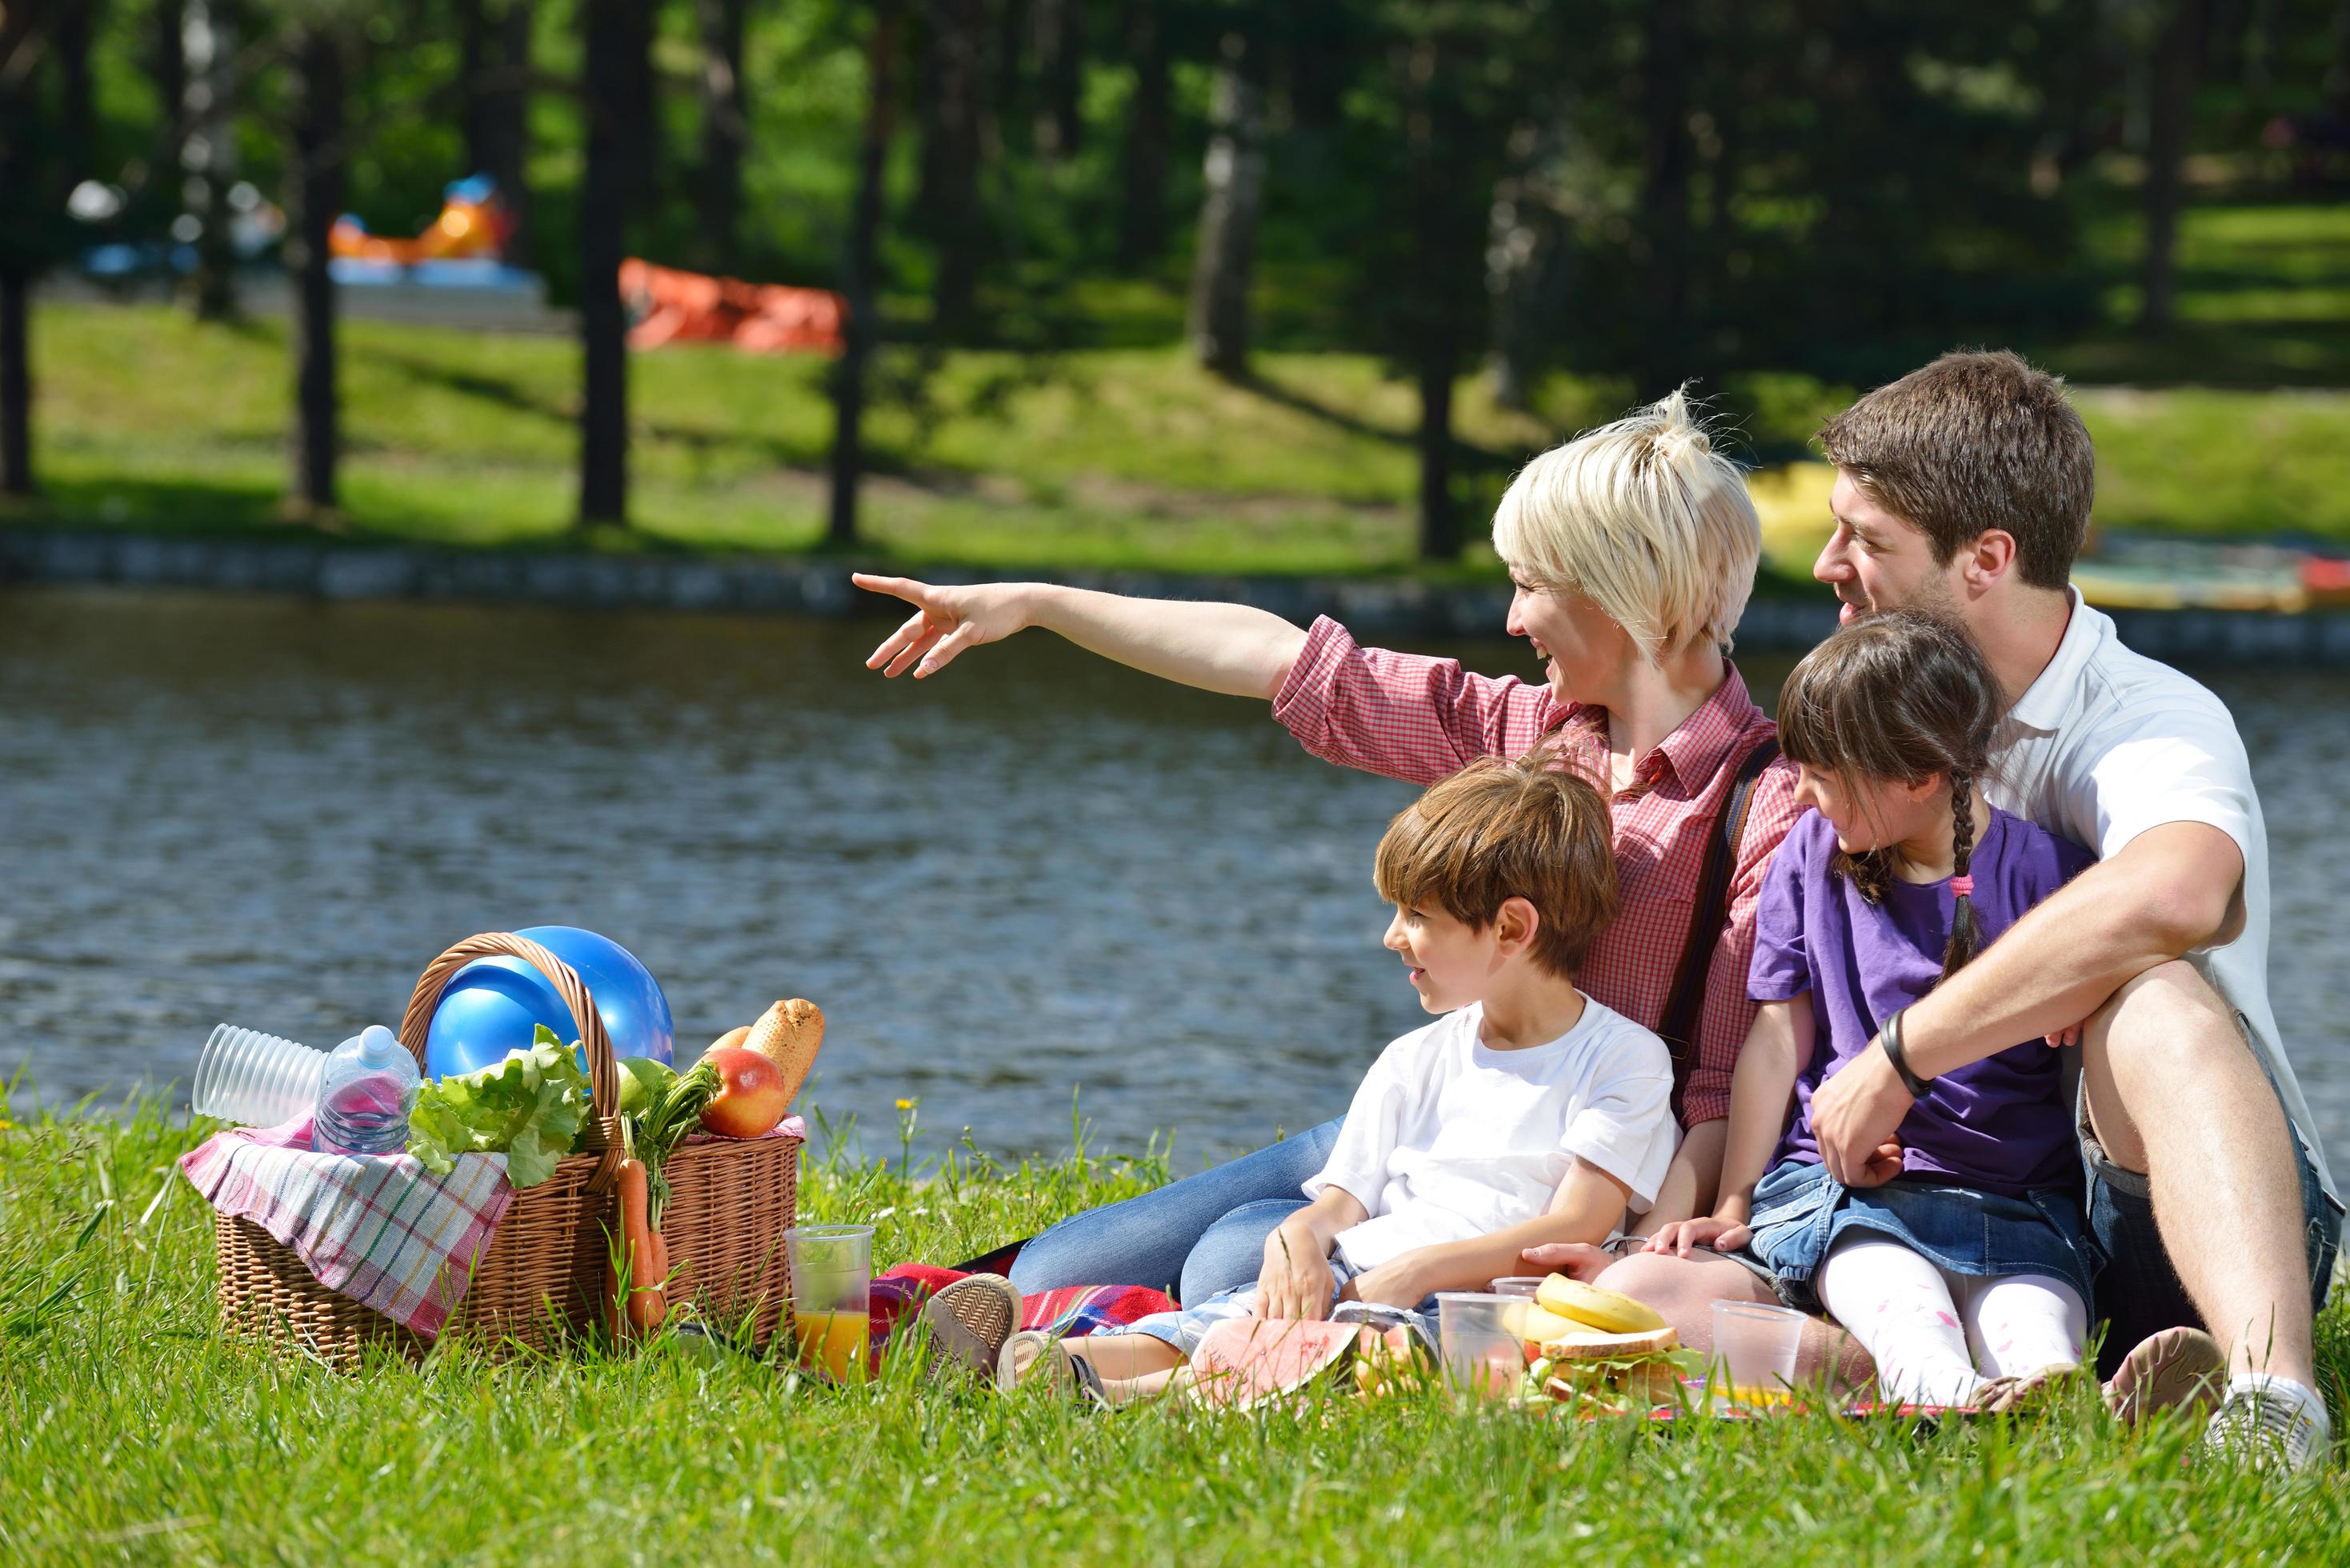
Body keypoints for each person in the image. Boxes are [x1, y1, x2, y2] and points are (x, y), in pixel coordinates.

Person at [854, 390, 1797, 1306]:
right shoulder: (1522, 731)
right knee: (1050, 1270)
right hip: (1422, 1122)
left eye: (1531, 584)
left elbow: (1717, 1082)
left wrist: (1644, 1255)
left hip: (1554, 1174)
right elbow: (1286, 661)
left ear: (1623, 588)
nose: (1511, 619)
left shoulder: (1768, 802)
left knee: (1231, 1262)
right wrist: (1040, 603)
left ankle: (1224, 1301)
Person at [1589, 350, 2342, 1465]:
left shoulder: (2143, 718)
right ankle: (1937, 1382)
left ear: (1987, 559)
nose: (1828, 564)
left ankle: (2271, 1400)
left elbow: (2181, 887)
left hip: (2144, 1210)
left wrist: (1901, 1058)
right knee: (1655, 1294)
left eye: (1867, 540)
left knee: (2154, 994)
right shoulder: (1864, 731)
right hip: (1894, 1198)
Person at [997, 754, 1678, 1403]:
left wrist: (1419, 1272)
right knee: (1222, 1325)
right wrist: (1297, 1239)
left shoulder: (1620, 1057)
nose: (1391, 937)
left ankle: (1111, 1396)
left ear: (1510, 927)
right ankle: (1047, 1363)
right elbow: (1342, 1204)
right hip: (1365, 1272)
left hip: (1483, 1303)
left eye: (1417, 916)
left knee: (1365, 1359)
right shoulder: (1414, 1058)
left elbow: (1576, 1223)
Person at [1644, 610, 2098, 1410]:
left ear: (1919, 776)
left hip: (2013, 1199)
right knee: (1894, 1291)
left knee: (2031, 1318)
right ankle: (1942, 1388)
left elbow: (2092, 991)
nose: (1803, 794)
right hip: (1851, 1198)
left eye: (1823, 774)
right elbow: (1778, 1038)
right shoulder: (1811, 855)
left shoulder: (2051, 875)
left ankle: (2058, 1394)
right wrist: (1737, 1199)